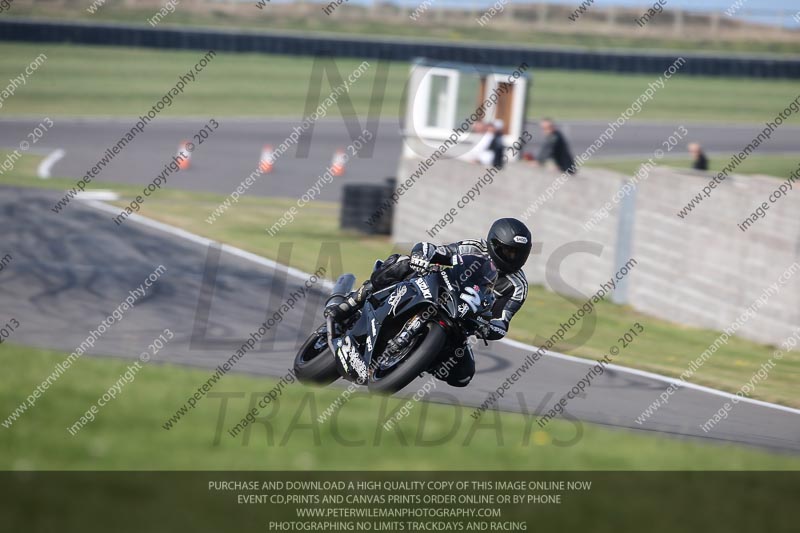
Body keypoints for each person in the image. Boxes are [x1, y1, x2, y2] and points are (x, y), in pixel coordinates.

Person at [325, 218, 532, 387]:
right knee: (402, 263)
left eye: (519, 254)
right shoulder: (474, 248)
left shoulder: (518, 286)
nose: (513, 257)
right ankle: (352, 302)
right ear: (494, 244)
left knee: (463, 376)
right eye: (508, 251)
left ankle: (418, 356)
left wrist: (489, 329)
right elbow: (442, 252)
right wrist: (423, 254)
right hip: (441, 291)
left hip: (463, 321)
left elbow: (502, 321)